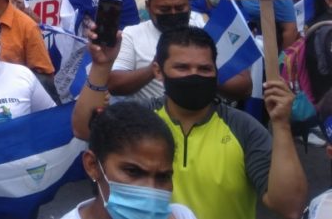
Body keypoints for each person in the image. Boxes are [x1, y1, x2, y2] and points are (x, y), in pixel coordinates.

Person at [73, 25, 308, 219]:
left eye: (204, 69)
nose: (193, 75)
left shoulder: (243, 128)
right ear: (158, 71)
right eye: (182, 67)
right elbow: (84, 128)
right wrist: (102, 66)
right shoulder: (140, 121)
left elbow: (289, 206)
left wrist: (281, 125)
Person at [109, 0, 251, 101]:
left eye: (180, 8)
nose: (173, 13)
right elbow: (115, 84)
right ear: (148, 6)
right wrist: (157, 67)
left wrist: (199, 72)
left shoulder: (207, 27)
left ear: (188, 3)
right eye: (164, 10)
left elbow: (243, 87)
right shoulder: (132, 34)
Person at [61, 102, 197, 219]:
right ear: (92, 165)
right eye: (133, 171)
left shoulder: (181, 215)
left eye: (163, 177)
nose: (151, 190)